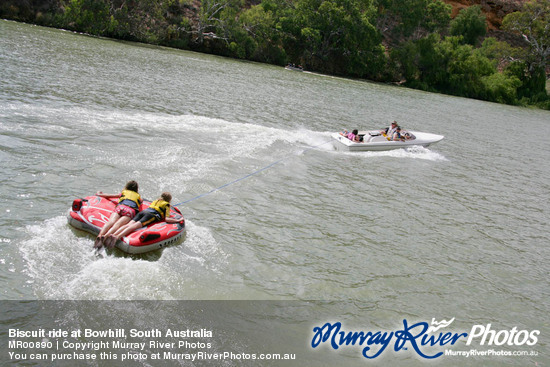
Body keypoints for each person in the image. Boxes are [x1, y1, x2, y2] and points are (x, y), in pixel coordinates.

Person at [103, 192, 182, 249]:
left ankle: (113, 234)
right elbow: (166, 218)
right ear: (169, 200)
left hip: (143, 212)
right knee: (133, 227)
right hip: (150, 215)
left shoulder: (156, 201)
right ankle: (116, 237)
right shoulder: (166, 205)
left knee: (127, 225)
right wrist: (177, 221)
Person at [94, 180, 142, 249]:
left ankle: (100, 235)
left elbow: (109, 195)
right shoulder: (138, 196)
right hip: (130, 210)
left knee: (111, 222)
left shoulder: (124, 192)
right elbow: (141, 201)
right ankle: (106, 236)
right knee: (117, 224)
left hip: (120, 207)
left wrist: (99, 193)